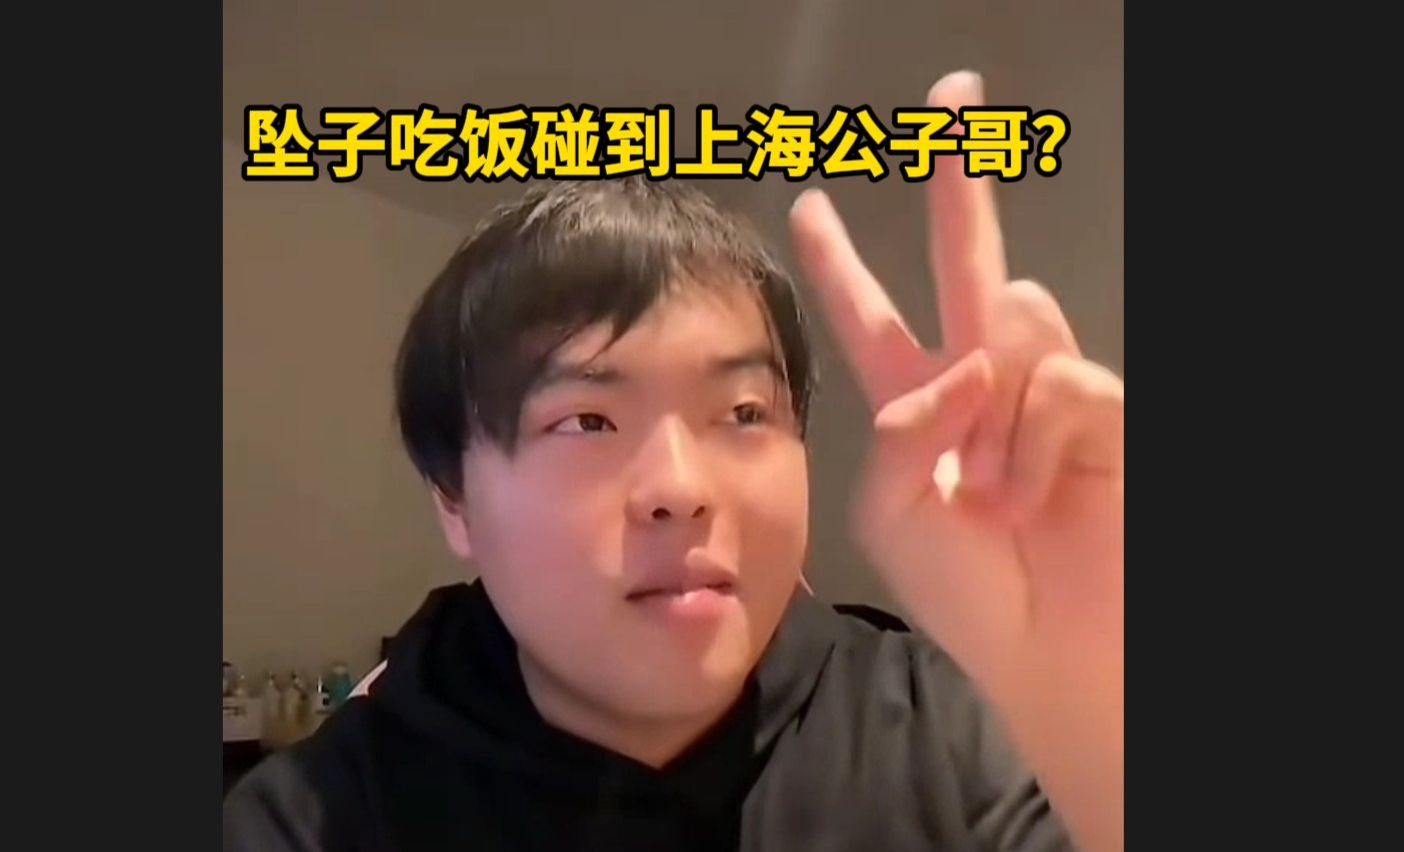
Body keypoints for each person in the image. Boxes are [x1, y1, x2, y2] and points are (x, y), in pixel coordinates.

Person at [223, 71, 1123, 852]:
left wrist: (1100, 702)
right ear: (453, 498)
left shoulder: (956, 739)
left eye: (743, 413)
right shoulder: (312, 821)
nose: (682, 489)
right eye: (587, 421)